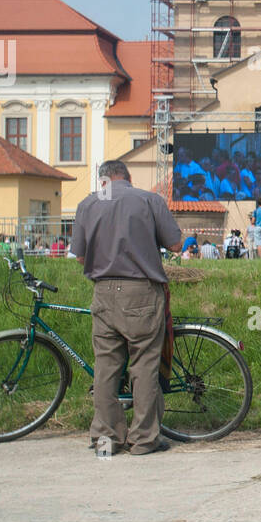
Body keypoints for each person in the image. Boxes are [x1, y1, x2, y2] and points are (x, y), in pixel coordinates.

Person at [71, 160, 183, 457]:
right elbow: (175, 245)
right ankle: (143, 440)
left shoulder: (87, 204)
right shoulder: (149, 200)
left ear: (103, 179)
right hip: (141, 292)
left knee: (105, 368)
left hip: (104, 292)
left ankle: (106, 439)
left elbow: (80, 258)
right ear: (127, 177)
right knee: (144, 366)